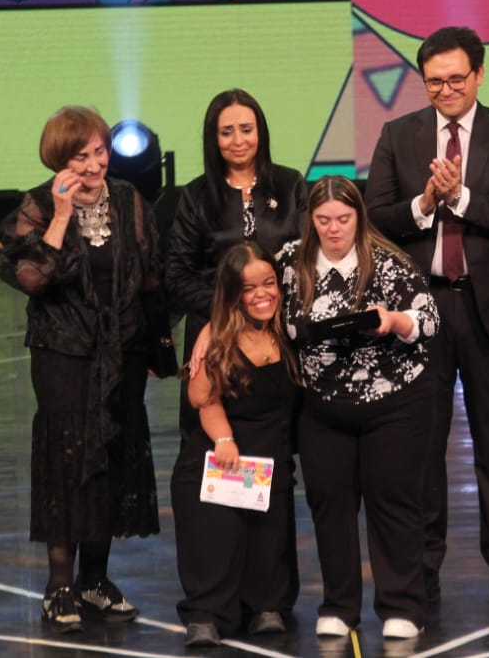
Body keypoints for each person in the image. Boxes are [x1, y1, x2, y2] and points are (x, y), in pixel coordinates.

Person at [364, 25, 489, 605]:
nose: (445, 90)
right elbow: (374, 218)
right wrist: (424, 204)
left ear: (479, 74)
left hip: (486, 306)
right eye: (434, 81)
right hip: (419, 312)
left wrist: (460, 197)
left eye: (455, 79)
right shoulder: (399, 135)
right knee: (423, 444)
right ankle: (423, 564)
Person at [0, 106, 170, 633]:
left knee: (112, 457)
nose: (95, 165)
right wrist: (59, 215)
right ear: (59, 160)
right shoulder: (35, 205)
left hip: (122, 351)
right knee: (69, 459)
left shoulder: (128, 199)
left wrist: (156, 346)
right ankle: (59, 586)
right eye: (82, 156)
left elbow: (150, 276)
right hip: (64, 353)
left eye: (100, 151)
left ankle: (95, 579)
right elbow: (33, 278)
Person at [165, 89, 306, 631]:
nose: (238, 140)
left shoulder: (290, 186)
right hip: (215, 340)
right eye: (227, 131)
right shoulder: (196, 196)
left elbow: (304, 262)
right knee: (216, 462)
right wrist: (224, 315)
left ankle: (266, 598)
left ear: (261, 131)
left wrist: (269, 310)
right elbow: (178, 273)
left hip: (277, 341)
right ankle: (211, 600)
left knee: (272, 465)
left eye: (246, 129)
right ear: (213, 138)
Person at [283, 176, 439, 639]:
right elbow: (257, 303)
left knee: (392, 501)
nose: (334, 229)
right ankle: (339, 605)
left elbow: (429, 319)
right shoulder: (291, 262)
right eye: (324, 220)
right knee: (329, 504)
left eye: (343, 219)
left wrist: (394, 321)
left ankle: (402, 606)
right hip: (322, 406)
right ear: (311, 220)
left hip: (394, 402)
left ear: (359, 217)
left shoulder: (389, 261)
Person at [172, 243, 301, 647]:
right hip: (223, 455)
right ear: (232, 294)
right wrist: (224, 439)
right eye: (248, 288)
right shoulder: (217, 339)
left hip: (270, 457)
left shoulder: (289, 330)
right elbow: (202, 399)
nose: (262, 294)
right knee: (218, 535)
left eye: (269, 283)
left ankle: (265, 604)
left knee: (269, 537)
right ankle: (205, 613)